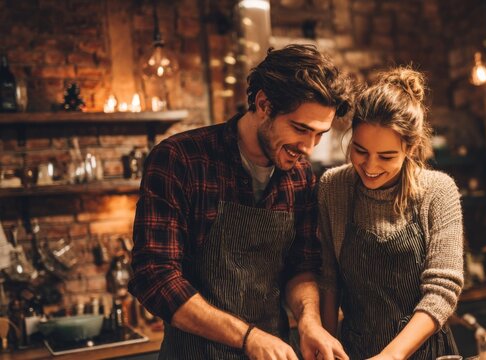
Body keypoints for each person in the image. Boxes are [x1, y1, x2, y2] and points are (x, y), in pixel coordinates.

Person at [129, 44, 353, 360]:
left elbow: (300, 266)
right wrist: (248, 338)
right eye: (300, 129)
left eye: (319, 134)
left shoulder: (299, 175)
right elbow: (154, 275)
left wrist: (309, 321)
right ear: (263, 104)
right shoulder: (181, 159)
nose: (308, 148)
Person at [318, 67, 464, 360]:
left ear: (409, 148)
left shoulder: (438, 190)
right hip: (355, 350)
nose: (370, 167)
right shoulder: (333, 187)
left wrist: (391, 356)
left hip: (428, 353)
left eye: (386, 156)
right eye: (360, 151)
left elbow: (442, 290)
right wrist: (326, 345)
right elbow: (328, 279)